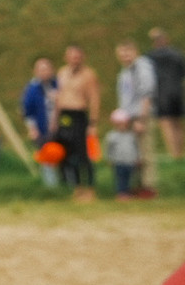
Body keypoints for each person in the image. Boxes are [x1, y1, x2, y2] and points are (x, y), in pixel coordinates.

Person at [53, 45, 101, 200]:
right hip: (65, 116)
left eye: (77, 57)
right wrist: (55, 119)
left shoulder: (88, 75)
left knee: (84, 154)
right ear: (66, 58)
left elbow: (94, 99)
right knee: (70, 153)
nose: (75, 60)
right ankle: (77, 187)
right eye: (72, 56)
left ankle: (90, 188)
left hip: (79, 115)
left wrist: (93, 123)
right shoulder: (62, 73)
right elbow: (58, 97)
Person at [112, 40, 157, 199]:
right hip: (129, 117)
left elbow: (146, 95)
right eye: (122, 53)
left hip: (140, 115)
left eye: (128, 52)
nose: (125, 56)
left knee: (144, 152)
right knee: (133, 153)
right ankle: (138, 185)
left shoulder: (142, 67)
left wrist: (141, 119)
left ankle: (148, 186)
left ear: (135, 51)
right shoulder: (125, 70)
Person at [148, 28, 184, 171]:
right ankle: (180, 153)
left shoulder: (151, 57)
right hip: (177, 92)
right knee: (177, 123)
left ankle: (173, 154)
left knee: (166, 124)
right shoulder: (177, 54)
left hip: (161, 94)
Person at [22, 56, 59, 189]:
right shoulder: (32, 88)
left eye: (46, 69)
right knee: (46, 157)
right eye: (41, 69)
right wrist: (32, 128)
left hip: (60, 126)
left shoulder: (58, 84)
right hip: (42, 128)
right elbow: (27, 111)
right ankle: (51, 187)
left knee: (62, 155)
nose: (44, 72)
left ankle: (68, 183)